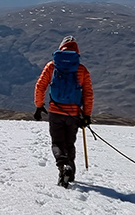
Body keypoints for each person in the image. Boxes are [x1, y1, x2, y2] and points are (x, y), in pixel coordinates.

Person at [34, 36, 93, 187]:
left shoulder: (52, 66)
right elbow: (88, 94)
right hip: (73, 114)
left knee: (57, 143)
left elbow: (40, 86)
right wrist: (86, 115)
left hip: (55, 111)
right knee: (69, 143)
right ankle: (70, 171)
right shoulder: (81, 70)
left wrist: (39, 105)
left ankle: (63, 166)